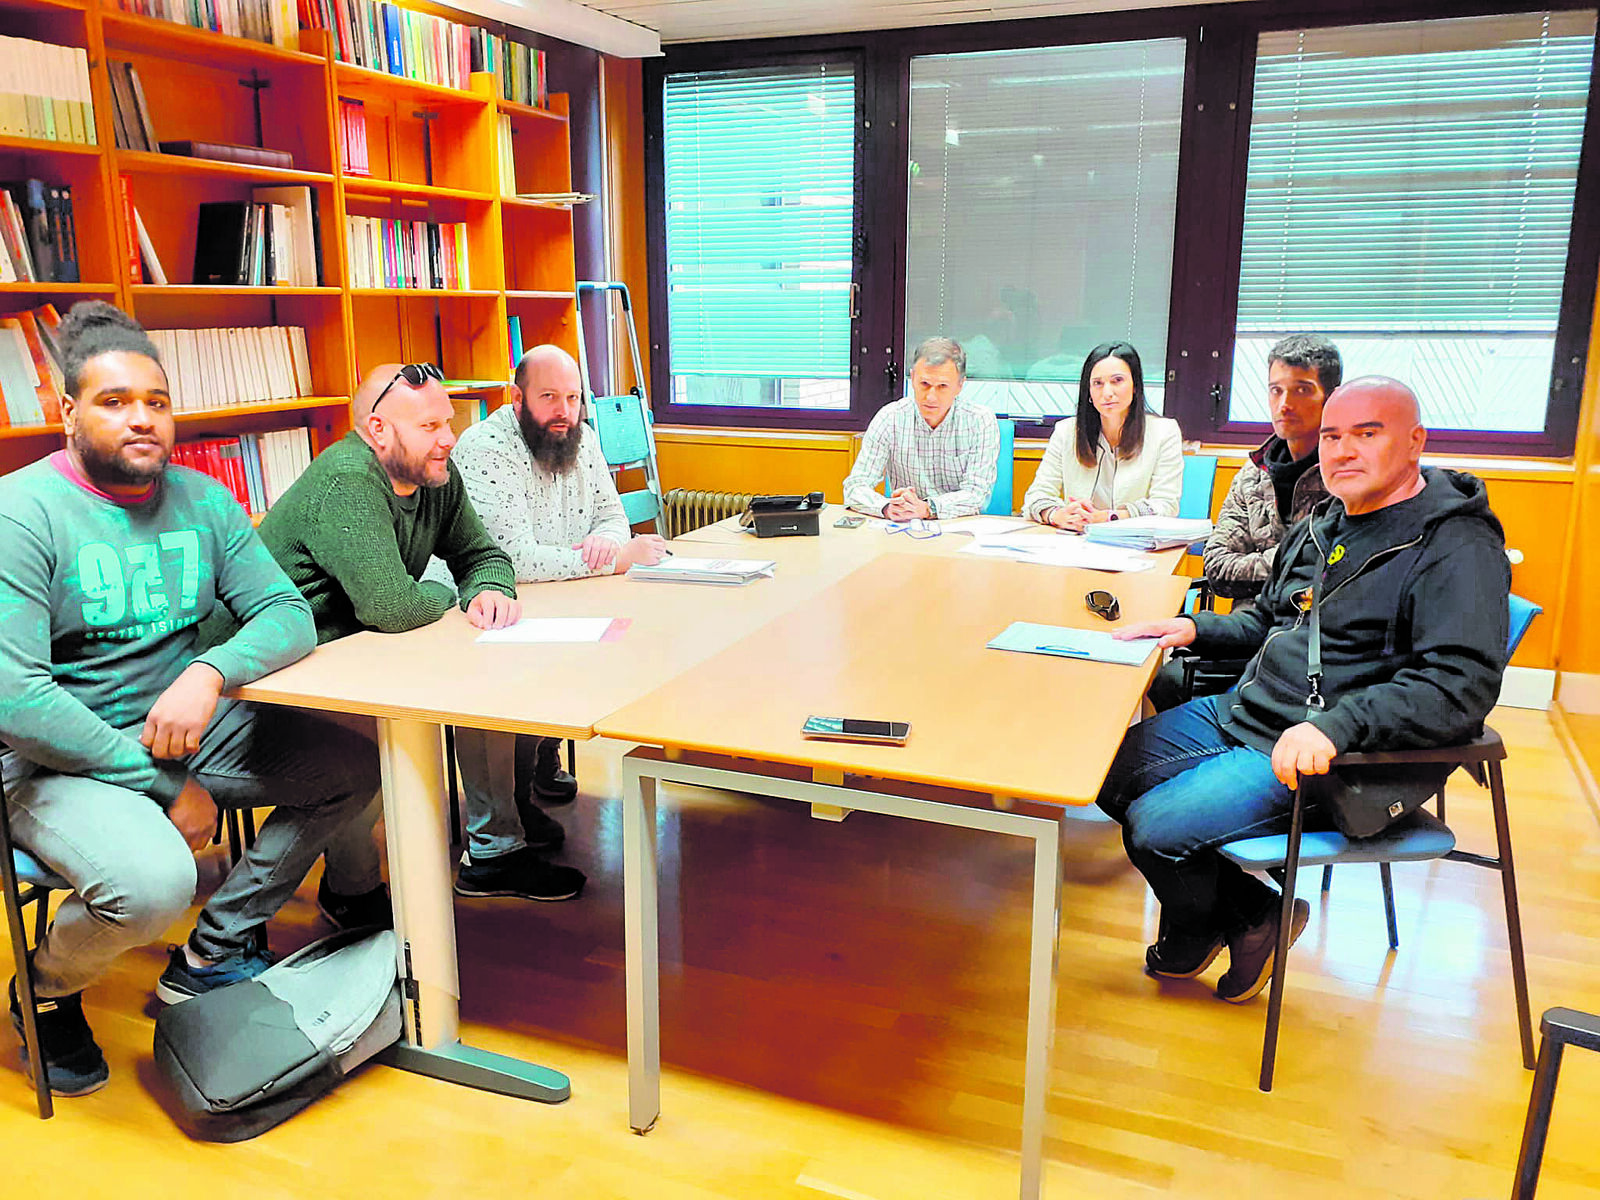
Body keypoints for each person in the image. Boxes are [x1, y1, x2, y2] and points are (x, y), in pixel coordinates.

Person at [0, 302, 379, 1095]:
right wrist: (168, 784)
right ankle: (45, 990)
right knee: (155, 882)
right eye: (113, 402)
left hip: (182, 727)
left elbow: (286, 613)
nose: (141, 420)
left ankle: (214, 950)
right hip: (55, 757)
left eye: (156, 402)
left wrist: (207, 673)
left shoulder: (204, 504)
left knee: (352, 768)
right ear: (66, 413)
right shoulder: (21, 514)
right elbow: (20, 700)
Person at [1096, 377, 1509, 1004]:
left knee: (1155, 828)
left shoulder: (1455, 545)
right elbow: (1266, 620)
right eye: (1333, 436)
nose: (1342, 451)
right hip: (1247, 711)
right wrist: (1192, 627)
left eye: (1367, 434)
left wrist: (1336, 728)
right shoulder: (1323, 522)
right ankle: (1243, 914)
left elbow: (1459, 687)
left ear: (1415, 442)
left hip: (1329, 751)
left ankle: (1224, 922)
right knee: (1100, 773)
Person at [255, 362, 586, 907]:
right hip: (284, 670)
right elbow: (393, 607)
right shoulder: (349, 481)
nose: (448, 440)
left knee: (482, 691)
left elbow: (481, 554)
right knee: (366, 753)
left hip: (354, 653)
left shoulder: (436, 475)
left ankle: (493, 846)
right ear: (378, 430)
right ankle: (351, 891)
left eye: (448, 424)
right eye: (430, 427)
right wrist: (449, 594)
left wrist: (489, 588)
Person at [428, 345, 666, 895]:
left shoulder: (578, 437)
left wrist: (608, 546)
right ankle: (490, 852)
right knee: (492, 692)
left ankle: (515, 804)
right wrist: (610, 560)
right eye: (548, 398)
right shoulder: (486, 449)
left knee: (554, 680)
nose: (564, 410)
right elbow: (509, 558)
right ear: (516, 400)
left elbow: (611, 518)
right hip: (477, 609)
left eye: (573, 397)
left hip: (556, 600)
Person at [1147, 334, 1340, 711]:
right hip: (1247, 630)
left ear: (1331, 398)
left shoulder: (1345, 476)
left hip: (1314, 645)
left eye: (1302, 390)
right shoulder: (1252, 473)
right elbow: (1217, 567)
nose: (1285, 404)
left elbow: (1331, 572)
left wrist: (1263, 562)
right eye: (1276, 390)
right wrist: (1288, 565)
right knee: (1165, 679)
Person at [1022, 341, 1183, 529]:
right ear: (1088, 392)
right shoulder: (1066, 432)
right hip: (1076, 541)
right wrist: (1057, 515)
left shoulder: (1164, 432)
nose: (1107, 393)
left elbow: (1165, 505)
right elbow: (1035, 497)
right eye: (1098, 383)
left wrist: (1110, 517)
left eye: (1117, 381)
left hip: (1134, 544)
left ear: (1135, 386)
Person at [842, 337, 1000, 521]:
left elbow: (977, 494)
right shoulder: (890, 418)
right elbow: (855, 485)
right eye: (924, 384)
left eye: (942, 386)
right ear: (913, 378)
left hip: (959, 528)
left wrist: (928, 508)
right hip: (905, 527)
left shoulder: (980, 421)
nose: (931, 397)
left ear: (960, 386)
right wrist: (886, 508)